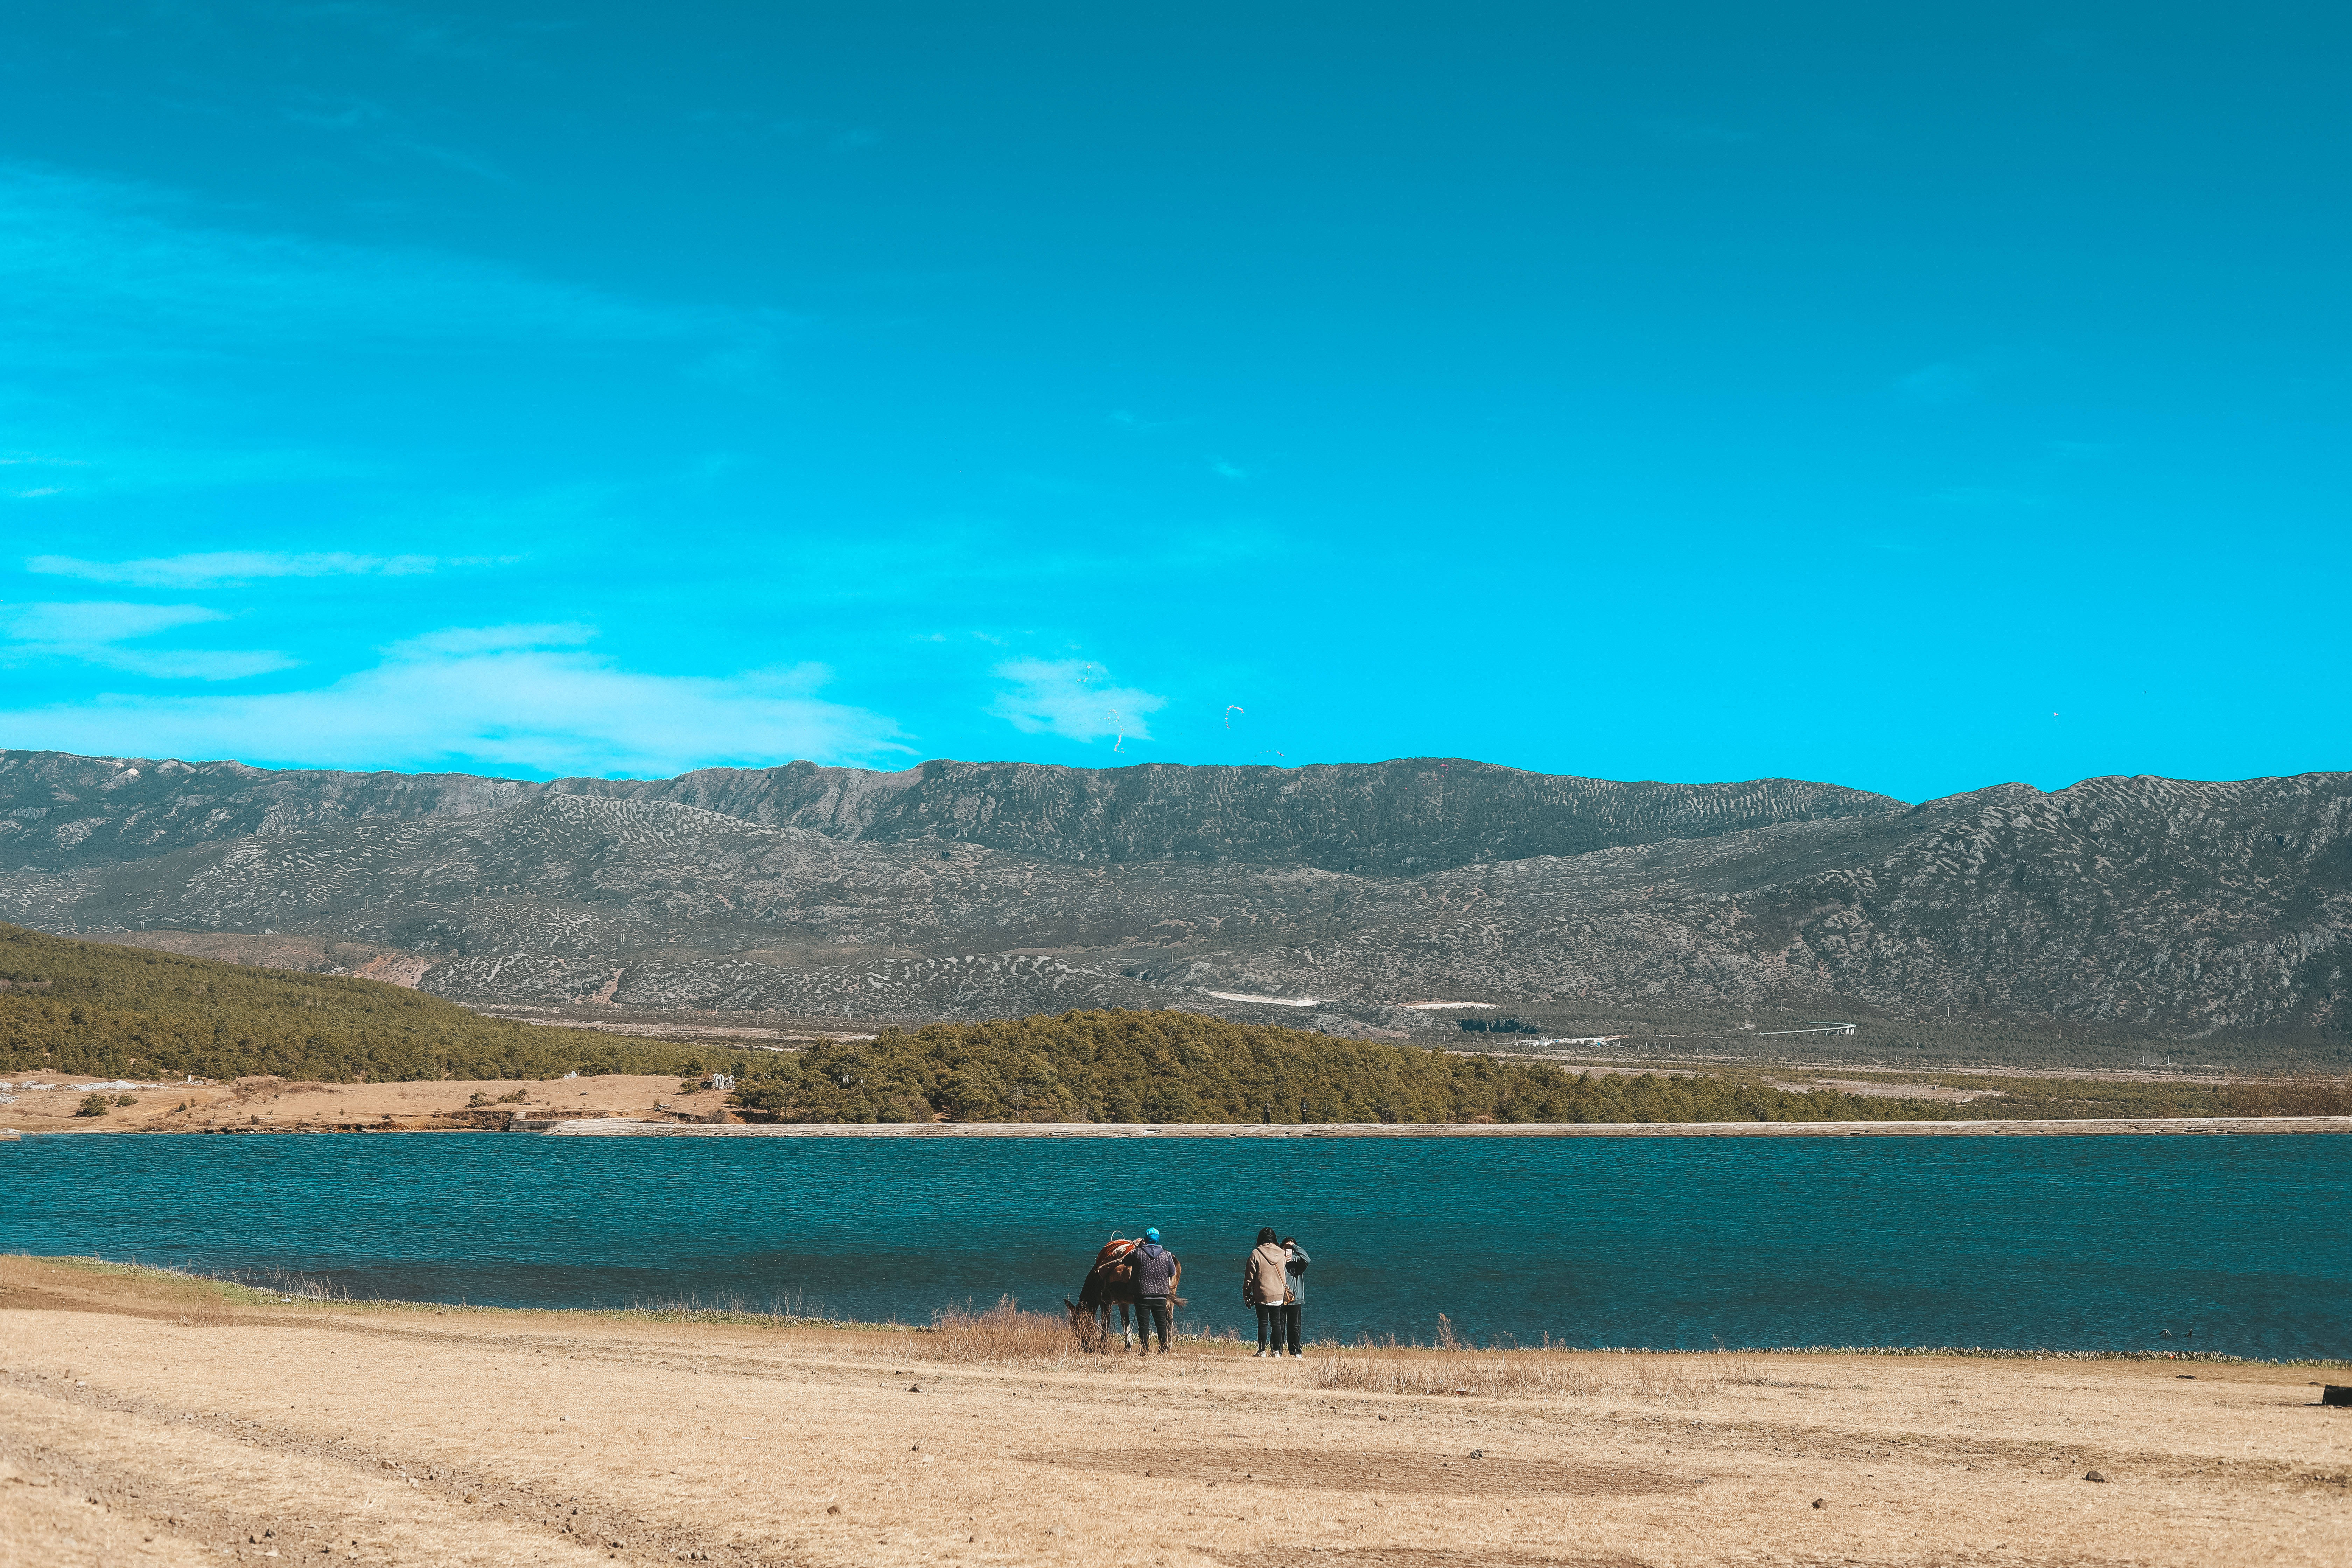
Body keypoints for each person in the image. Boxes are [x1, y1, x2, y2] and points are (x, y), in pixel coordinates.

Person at [1128, 1226, 1179, 1354]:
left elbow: (1126, 1261)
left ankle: (1144, 1350)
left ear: (1146, 1239)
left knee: (1143, 1325)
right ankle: (1163, 1349)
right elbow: (1172, 1272)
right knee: (1161, 1324)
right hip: (1161, 1296)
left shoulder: (1138, 1253)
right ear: (1158, 1240)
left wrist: (1137, 1247)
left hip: (1142, 1296)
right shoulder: (1167, 1255)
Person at [1244, 1226, 1290, 1357]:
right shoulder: (1281, 1254)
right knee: (1276, 1323)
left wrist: (1247, 1294)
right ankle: (1276, 1352)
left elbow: (1249, 1278)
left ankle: (1262, 1351)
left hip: (1262, 1294)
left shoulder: (1256, 1254)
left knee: (1263, 1323)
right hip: (1278, 1294)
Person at [1278, 1235, 1310, 1358]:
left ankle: (1296, 1351)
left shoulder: (1298, 1261)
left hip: (1295, 1299)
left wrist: (1295, 1247)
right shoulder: (1279, 1261)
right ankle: (1278, 1350)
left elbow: (1307, 1260)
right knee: (1279, 1327)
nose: (1288, 1251)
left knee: (1295, 1327)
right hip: (1280, 1298)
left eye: (1290, 1249)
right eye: (1285, 1248)